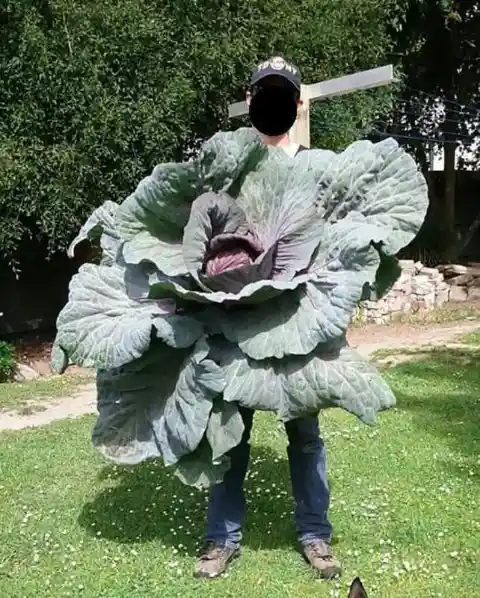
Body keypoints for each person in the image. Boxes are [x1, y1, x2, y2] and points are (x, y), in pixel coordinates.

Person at [194, 56, 342, 581]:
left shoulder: (316, 167)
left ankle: (315, 535)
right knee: (228, 434)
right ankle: (220, 539)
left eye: (282, 92)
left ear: (296, 102)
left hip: (296, 324)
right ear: (253, 99)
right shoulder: (228, 166)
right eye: (264, 91)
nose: (274, 100)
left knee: (304, 436)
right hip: (233, 323)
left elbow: (336, 244)